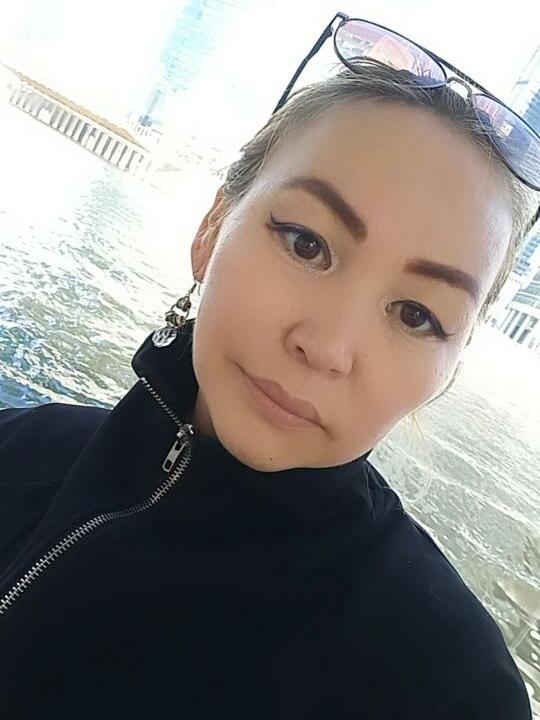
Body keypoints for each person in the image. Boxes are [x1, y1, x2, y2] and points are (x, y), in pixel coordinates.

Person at [0, 16, 538, 719]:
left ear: (450, 366)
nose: (328, 346)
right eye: (307, 244)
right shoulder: (22, 450)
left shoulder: (450, 688)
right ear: (212, 228)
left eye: (416, 315)